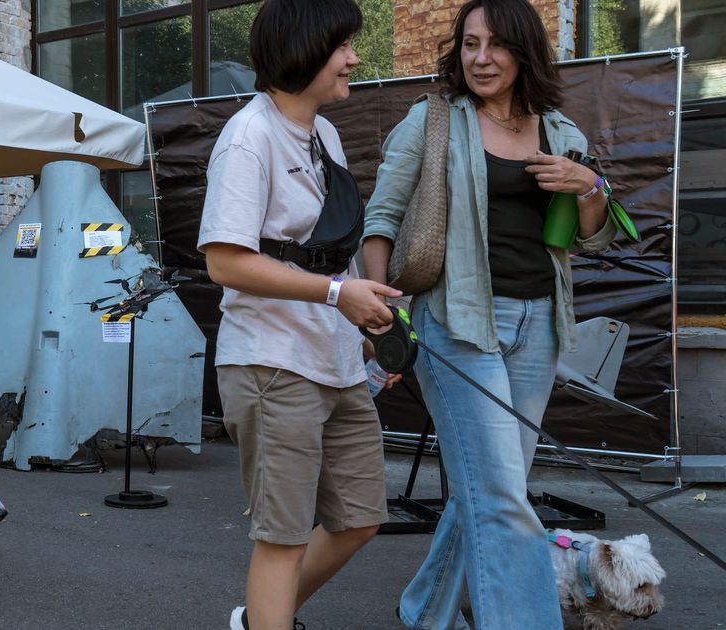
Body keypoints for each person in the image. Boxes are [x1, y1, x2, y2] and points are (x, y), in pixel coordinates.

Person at [362, 0, 616, 627]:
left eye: (495, 45)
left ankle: (424, 610)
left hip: (539, 326)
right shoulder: (432, 121)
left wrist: (588, 187)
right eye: (470, 44)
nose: (480, 58)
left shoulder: (561, 133)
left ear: (524, 50)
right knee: (503, 495)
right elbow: (382, 220)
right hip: (455, 324)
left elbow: (588, 239)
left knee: (486, 485)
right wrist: (381, 315)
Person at [197, 1, 401, 628]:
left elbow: (331, 250)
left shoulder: (324, 133)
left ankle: (259, 620)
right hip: (271, 363)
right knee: (283, 538)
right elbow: (225, 263)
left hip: (335, 361)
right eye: (342, 45)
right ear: (305, 50)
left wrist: (365, 320)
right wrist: (340, 297)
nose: (354, 58)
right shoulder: (248, 138)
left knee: (359, 520)